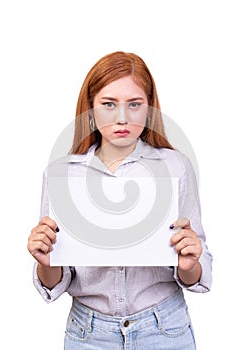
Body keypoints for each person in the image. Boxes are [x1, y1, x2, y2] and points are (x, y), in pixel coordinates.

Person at [27, 51, 212, 349]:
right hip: (88, 334)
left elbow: (198, 270)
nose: (122, 118)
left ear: (149, 109)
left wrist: (190, 263)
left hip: (164, 330)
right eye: (109, 104)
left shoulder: (176, 167)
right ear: (90, 108)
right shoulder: (62, 174)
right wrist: (47, 263)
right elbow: (54, 281)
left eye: (135, 105)